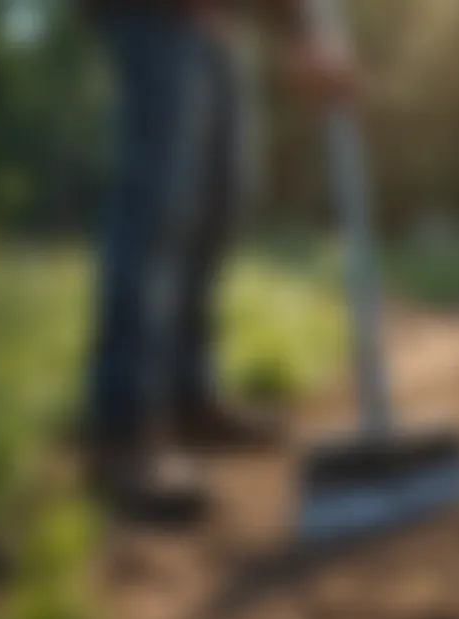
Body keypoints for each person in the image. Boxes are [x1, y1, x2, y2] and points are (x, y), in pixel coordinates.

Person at [83, 0, 354, 526]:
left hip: (224, 25)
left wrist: (303, 33)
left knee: (223, 197)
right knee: (161, 199)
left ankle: (189, 396)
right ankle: (123, 429)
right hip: (153, 16)